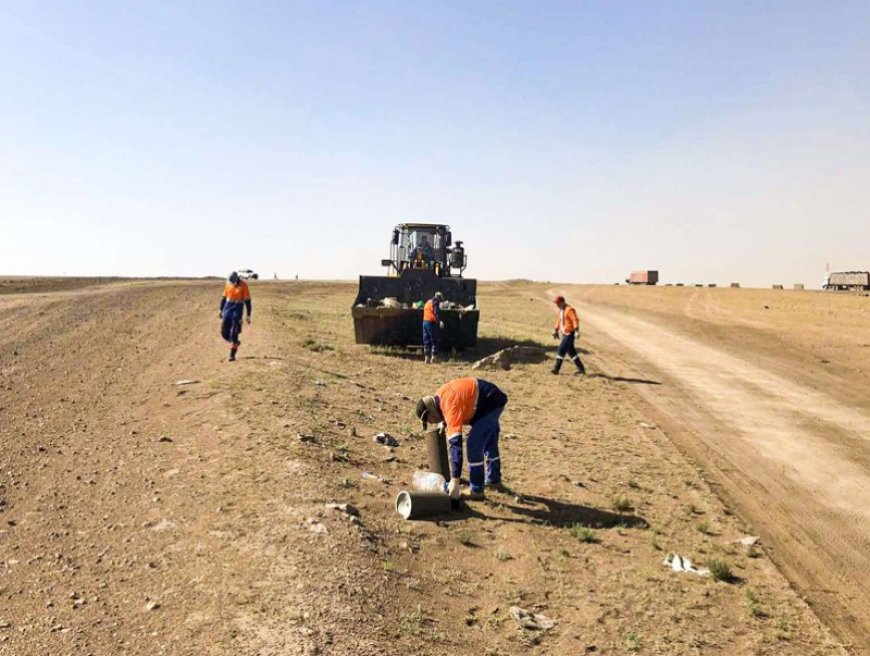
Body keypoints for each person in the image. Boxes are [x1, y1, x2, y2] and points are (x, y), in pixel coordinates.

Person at [415, 377, 508, 500]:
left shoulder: (449, 405)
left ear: (432, 410)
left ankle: (476, 490)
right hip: (487, 400)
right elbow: (460, 403)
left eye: (430, 419)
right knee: (489, 442)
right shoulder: (440, 397)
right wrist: (444, 421)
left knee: (473, 444)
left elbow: (455, 445)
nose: (432, 423)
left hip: (490, 402)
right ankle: (494, 480)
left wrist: (455, 480)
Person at [220, 271, 252, 362]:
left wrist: (248, 315)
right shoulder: (228, 284)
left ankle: (232, 354)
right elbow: (223, 298)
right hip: (227, 311)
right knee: (224, 332)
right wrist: (220, 309)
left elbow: (248, 301)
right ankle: (235, 342)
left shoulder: (243, 286)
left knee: (234, 332)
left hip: (237, 313)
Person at [551, 295, 585, 374]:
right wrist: (556, 330)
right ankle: (581, 369)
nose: (557, 305)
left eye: (558, 303)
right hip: (564, 334)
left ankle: (556, 369)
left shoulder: (569, 310)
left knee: (561, 349)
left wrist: (576, 331)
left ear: (562, 302)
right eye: (556, 303)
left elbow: (575, 320)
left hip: (570, 334)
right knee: (571, 352)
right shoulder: (561, 310)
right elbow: (559, 321)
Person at [422, 291, 444, 363]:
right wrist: (439, 321)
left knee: (426, 340)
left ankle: (426, 358)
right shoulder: (435, 302)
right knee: (434, 340)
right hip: (431, 323)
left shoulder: (428, 301)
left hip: (425, 322)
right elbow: (436, 312)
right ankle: (434, 358)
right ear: (439, 298)